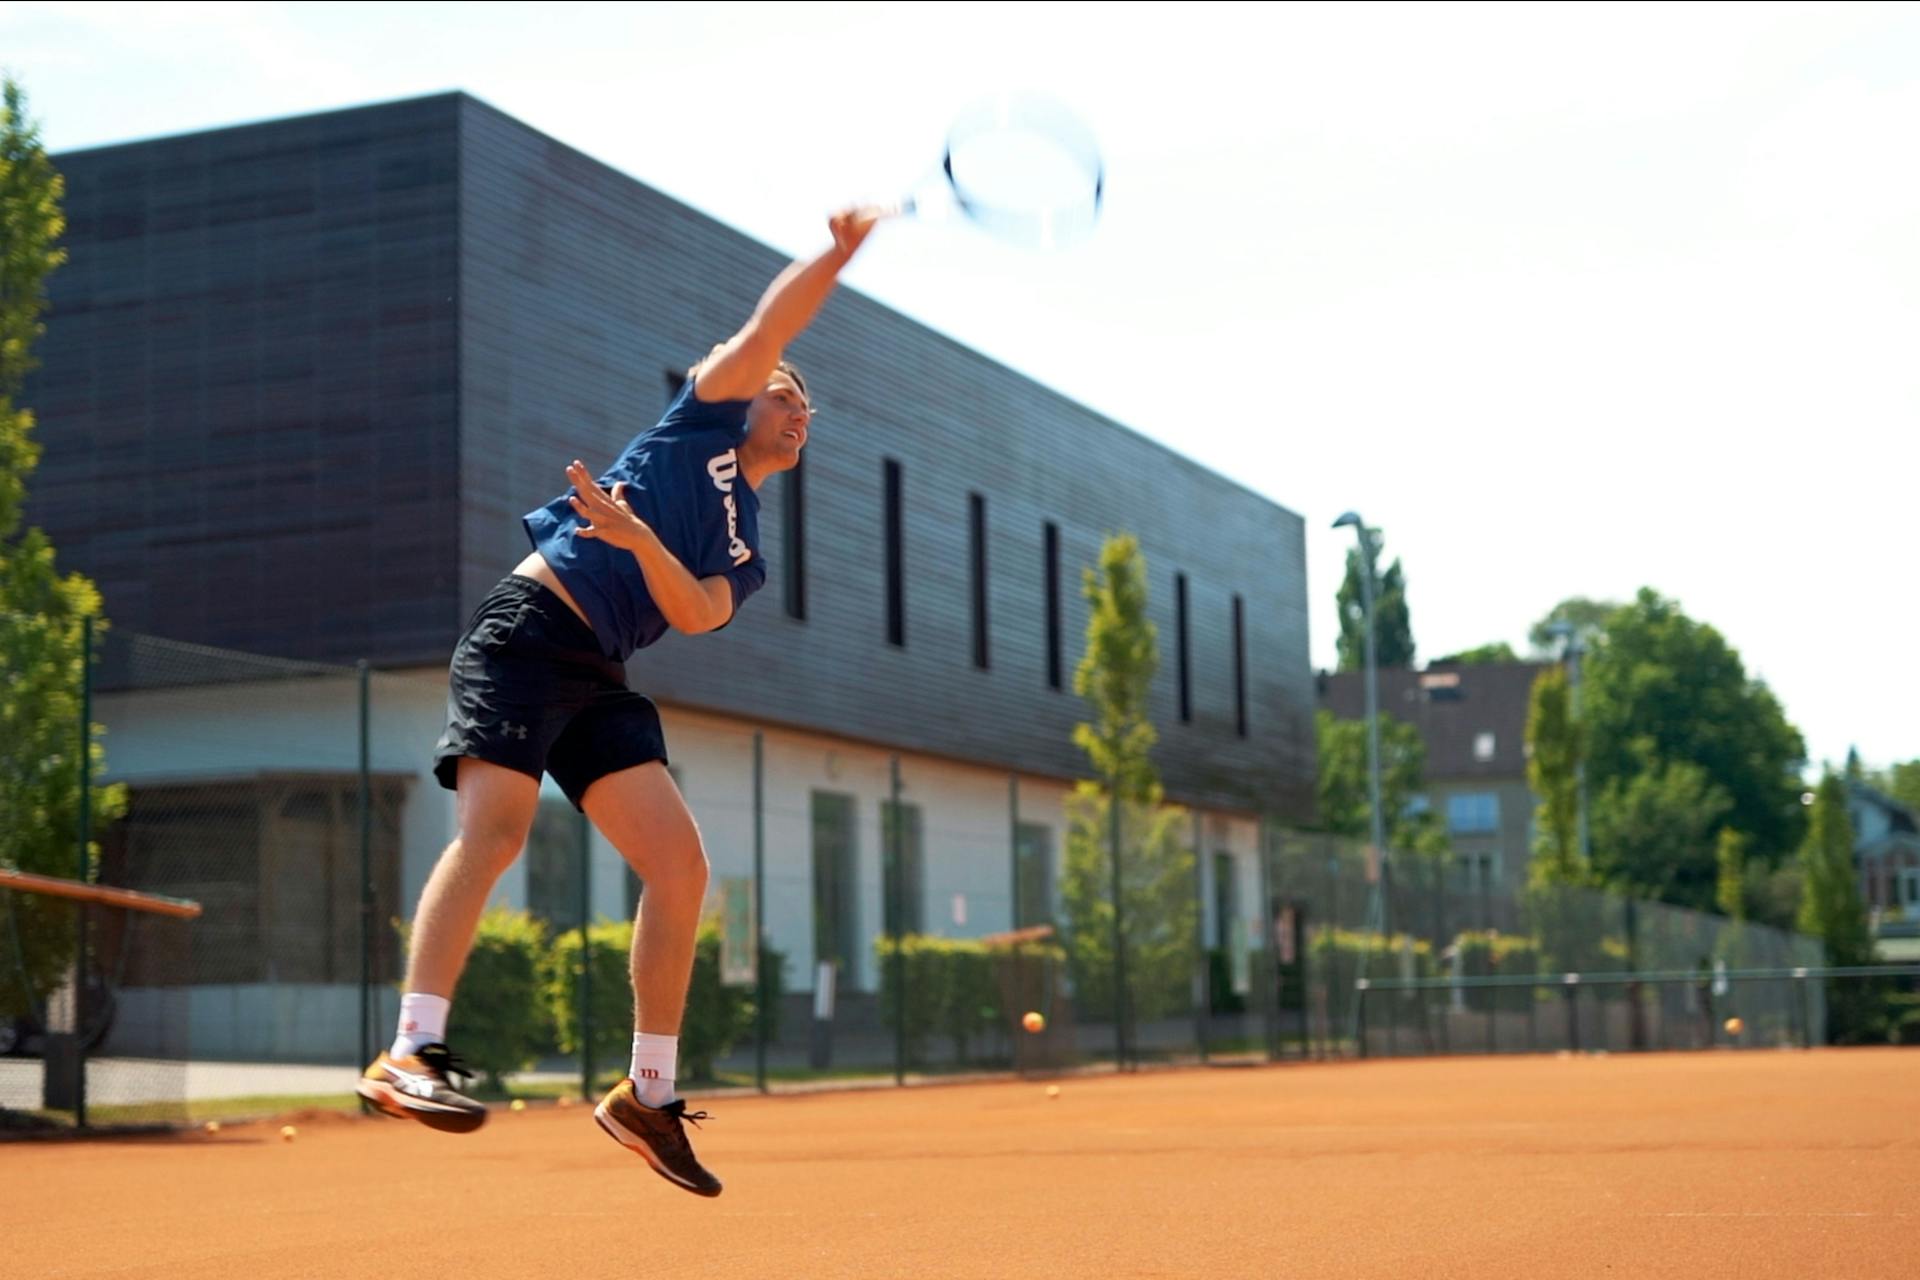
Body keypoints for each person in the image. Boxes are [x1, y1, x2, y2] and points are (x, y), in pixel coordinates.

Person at [357, 205, 884, 1198]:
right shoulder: (700, 424)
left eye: (808, 408)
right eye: (784, 396)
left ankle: (648, 1093)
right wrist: (838, 256)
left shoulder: (747, 543)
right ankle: (409, 1049)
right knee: (499, 831)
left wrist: (641, 541)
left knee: (680, 864)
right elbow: (771, 328)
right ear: (739, 397)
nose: (798, 409)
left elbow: (692, 613)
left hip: (599, 669)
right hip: (528, 632)